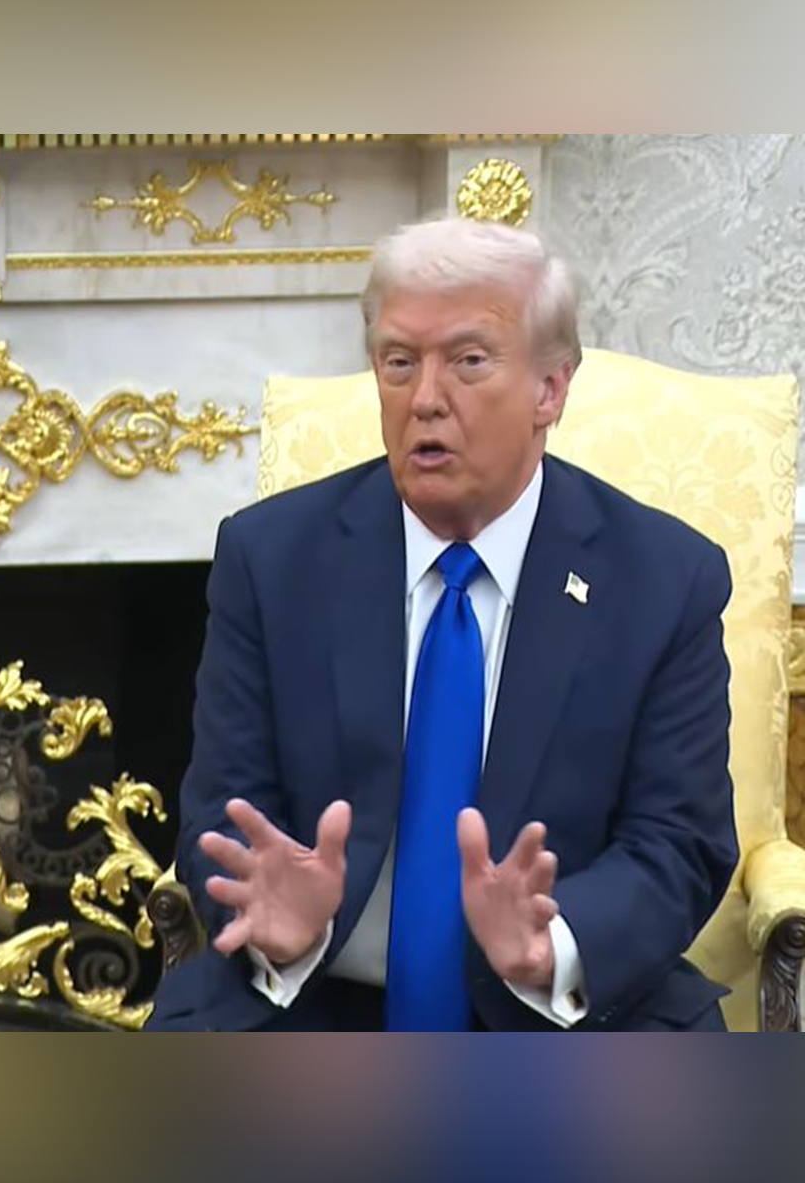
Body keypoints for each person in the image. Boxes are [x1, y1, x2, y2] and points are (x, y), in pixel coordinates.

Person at [150, 218, 738, 1031]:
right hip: (312, 997)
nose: (425, 398)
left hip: (564, 1011)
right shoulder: (270, 558)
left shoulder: (663, 579)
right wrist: (282, 930)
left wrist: (553, 941)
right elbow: (224, 811)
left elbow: (678, 843)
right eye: (398, 362)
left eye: (468, 361)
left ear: (550, 390)